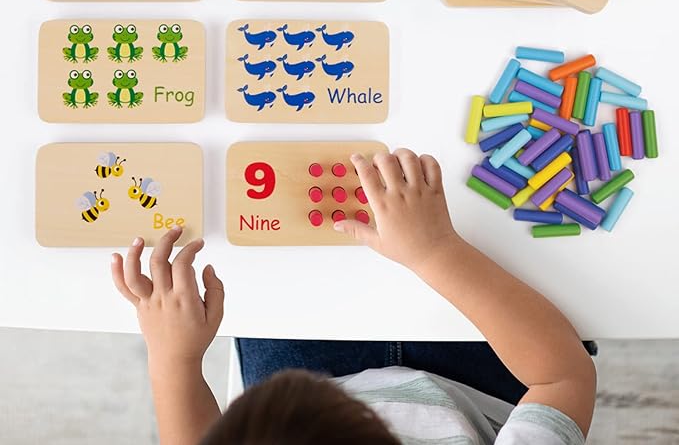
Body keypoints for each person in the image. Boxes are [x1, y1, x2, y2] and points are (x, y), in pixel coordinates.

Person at [112, 149, 596, 444]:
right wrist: (435, 250)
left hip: (309, 375)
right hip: (484, 385)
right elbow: (564, 376)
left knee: (266, 248)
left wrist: (174, 360)